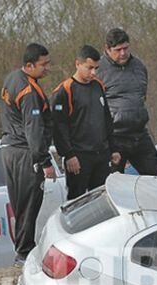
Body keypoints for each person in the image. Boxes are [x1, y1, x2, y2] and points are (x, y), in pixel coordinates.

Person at [0, 43, 54, 265]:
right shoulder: (29, 91)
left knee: (20, 204)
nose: (47, 68)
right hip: (25, 152)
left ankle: (21, 251)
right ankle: (23, 253)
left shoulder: (11, 78)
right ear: (29, 65)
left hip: (9, 149)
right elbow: (33, 128)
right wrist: (44, 161)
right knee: (29, 203)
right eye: (43, 65)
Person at [50, 45, 115, 200]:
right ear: (78, 64)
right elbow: (59, 126)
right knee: (77, 200)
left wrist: (113, 148)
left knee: (101, 199)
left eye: (96, 68)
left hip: (101, 154)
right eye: (89, 68)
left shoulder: (98, 85)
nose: (93, 73)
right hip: (79, 156)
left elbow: (106, 118)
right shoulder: (65, 90)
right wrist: (69, 154)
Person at [99, 28, 157, 177]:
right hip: (115, 137)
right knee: (113, 182)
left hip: (139, 134)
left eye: (125, 48)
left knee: (156, 179)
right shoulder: (98, 70)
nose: (123, 53)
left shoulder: (139, 66)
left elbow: (142, 96)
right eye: (118, 50)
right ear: (107, 49)